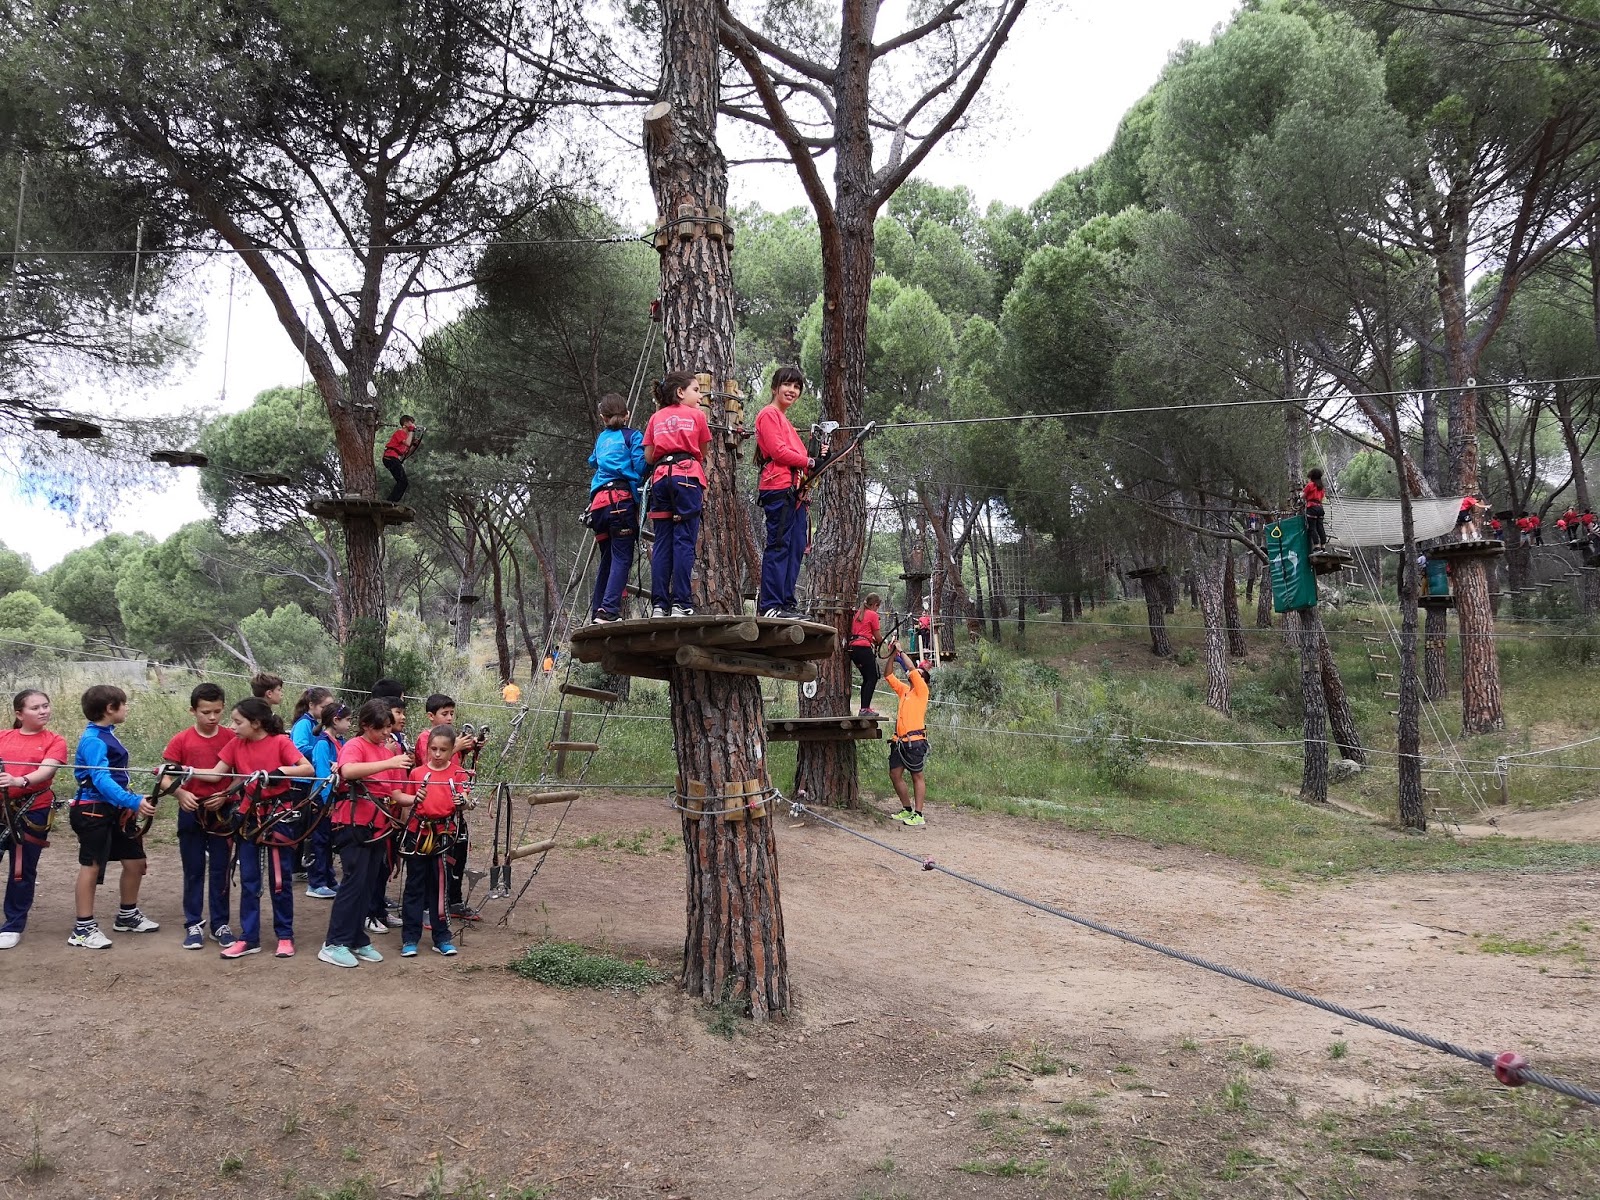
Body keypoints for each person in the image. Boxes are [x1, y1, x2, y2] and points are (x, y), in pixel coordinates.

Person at [198, 697, 313, 959]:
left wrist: (278, 773)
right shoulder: (236, 744)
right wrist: (184, 770)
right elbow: (217, 774)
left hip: (277, 816)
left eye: (238, 722)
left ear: (257, 723)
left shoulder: (280, 742)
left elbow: (307, 768)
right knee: (249, 879)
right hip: (248, 817)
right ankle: (249, 938)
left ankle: (285, 936)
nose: (232, 727)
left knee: (280, 879)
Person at [320, 699, 414, 969]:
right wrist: (389, 762)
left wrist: (420, 798)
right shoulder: (356, 746)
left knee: (368, 884)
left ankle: (356, 939)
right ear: (365, 725)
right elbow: (348, 770)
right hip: (353, 824)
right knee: (354, 882)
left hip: (378, 826)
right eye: (380, 728)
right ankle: (334, 942)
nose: (386, 733)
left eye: (388, 728)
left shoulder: (388, 754)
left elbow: (396, 793)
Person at [68, 684, 159, 948]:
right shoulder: (94, 740)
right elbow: (101, 779)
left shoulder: (106, 734)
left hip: (115, 809)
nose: (127, 708)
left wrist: (130, 799)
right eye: (124, 704)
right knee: (92, 865)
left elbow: (115, 779)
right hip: (92, 810)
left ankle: (127, 915)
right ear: (110, 708)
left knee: (136, 862)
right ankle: (83, 929)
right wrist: (132, 801)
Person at [162, 683, 238, 951]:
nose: (212, 717)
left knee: (221, 868)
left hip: (222, 812)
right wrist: (180, 794)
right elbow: (164, 776)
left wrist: (227, 794)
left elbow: (241, 774)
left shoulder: (232, 737)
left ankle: (220, 924)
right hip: (191, 810)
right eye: (206, 712)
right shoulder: (181, 740)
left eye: (217, 711)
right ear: (193, 711)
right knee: (193, 868)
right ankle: (193, 923)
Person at [0, 689, 69, 949]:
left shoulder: (55, 740)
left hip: (32, 811)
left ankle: (13, 924)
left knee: (22, 869)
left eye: (45, 706)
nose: (43, 711)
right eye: (35, 707)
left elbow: (47, 770)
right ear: (19, 714)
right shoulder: (3, 736)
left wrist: (19, 780)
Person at [755, 366, 822, 619]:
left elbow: (797, 456)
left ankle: (785, 602)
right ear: (775, 388)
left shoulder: (785, 421)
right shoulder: (768, 414)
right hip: (779, 487)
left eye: (797, 387)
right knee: (779, 545)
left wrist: (814, 458)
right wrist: (809, 461)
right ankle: (770, 605)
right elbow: (778, 451)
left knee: (795, 547)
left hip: (795, 491)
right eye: (787, 384)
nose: (792, 390)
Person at [642, 371, 712, 618]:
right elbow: (702, 450)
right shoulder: (697, 416)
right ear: (680, 392)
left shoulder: (656, 418)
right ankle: (681, 602)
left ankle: (659, 605)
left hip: (661, 478)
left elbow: (649, 456)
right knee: (684, 541)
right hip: (687, 477)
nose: (700, 396)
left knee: (662, 541)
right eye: (696, 390)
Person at [400, 727, 468, 957]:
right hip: (417, 834)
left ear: (452, 750)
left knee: (440, 886)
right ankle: (410, 937)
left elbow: (465, 797)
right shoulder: (417, 773)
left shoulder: (458, 773)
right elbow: (406, 800)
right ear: (428, 748)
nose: (438, 754)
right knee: (414, 885)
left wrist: (462, 801)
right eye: (434, 749)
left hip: (443, 835)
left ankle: (442, 937)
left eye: (443, 750)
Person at [416, 695, 478, 920]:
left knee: (457, 854)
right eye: (445, 714)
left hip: (454, 807)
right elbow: (430, 764)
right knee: (433, 860)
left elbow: (454, 766)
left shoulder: (453, 738)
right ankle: (429, 906)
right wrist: (456, 747)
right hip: (433, 809)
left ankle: (454, 900)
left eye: (452, 713)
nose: (450, 718)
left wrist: (468, 749)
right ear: (431, 716)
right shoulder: (426, 738)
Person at [586, 392, 647, 623]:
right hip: (620, 501)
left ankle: (598, 611)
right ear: (627, 414)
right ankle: (609, 610)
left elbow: (593, 460)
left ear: (603, 417)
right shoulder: (633, 436)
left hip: (598, 506)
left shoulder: (602, 438)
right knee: (621, 557)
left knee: (608, 559)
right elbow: (641, 466)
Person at [305, 702, 351, 900]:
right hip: (323, 799)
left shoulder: (340, 741)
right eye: (348, 720)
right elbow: (323, 775)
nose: (350, 724)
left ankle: (329, 879)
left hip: (335, 797)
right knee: (319, 841)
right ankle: (316, 882)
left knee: (328, 841)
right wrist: (328, 802)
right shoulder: (323, 744)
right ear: (336, 720)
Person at [882, 647, 930, 827]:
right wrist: (892, 656)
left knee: (917, 775)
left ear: (923, 680)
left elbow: (910, 668)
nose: (915, 674)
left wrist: (901, 652)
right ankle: (907, 809)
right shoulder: (905, 691)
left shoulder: (921, 691)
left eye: (919, 674)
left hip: (915, 742)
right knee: (895, 774)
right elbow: (888, 675)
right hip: (899, 742)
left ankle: (919, 814)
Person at [848, 594, 884, 716]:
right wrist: (881, 642)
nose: (877, 610)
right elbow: (878, 636)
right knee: (873, 677)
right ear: (875, 605)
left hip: (854, 648)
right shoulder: (873, 614)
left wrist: (871, 640)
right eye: (877, 607)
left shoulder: (859, 613)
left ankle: (864, 708)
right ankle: (864, 709)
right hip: (863, 648)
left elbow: (861, 633)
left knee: (867, 677)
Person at [382, 415, 420, 503]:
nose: (413, 425)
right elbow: (407, 443)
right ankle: (391, 501)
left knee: (403, 482)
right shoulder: (400, 432)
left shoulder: (406, 437)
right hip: (390, 457)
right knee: (403, 481)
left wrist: (414, 445)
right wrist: (411, 431)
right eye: (411, 422)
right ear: (405, 423)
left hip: (393, 459)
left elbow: (407, 454)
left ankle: (392, 501)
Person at [1302, 468, 1327, 549]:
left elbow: (1303, 495)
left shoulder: (1310, 485)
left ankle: (1316, 546)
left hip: (1312, 507)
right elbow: (1322, 498)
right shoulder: (1321, 487)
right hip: (1320, 508)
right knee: (1320, 527)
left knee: (1312, 527)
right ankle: (1323, 546)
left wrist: (1300, 495)